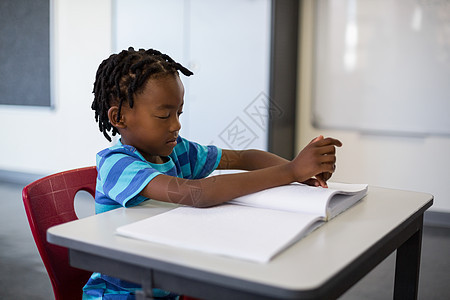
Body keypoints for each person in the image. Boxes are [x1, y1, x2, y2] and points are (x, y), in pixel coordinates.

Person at [84, 47, 342, 299]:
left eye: (179, 112)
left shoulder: (177, 150)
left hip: (166, 282)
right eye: (164, 115)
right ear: (119, 117)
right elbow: (198, 194)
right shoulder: (116, 164)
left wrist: (297, 171)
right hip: (119, 291)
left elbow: (243, 157)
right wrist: (291, 170)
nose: (176, 125)